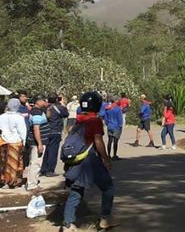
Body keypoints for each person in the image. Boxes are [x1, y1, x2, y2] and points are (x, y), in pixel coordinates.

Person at [61, 91, 117, 231]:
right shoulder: (95, 120)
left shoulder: (78, 120)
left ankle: (68, 224)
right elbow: (98, 141)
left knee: (76, 190)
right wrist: (106, 159)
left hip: (77, 160)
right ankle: (105, 218)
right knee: (108, 187)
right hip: (90, 160)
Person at [0, 98, 28, 188]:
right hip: (15, 142)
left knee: (3, 162)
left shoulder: (1, 117)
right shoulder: (19, 118)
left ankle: (4, 181)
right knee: (14, 164)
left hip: (3, 141)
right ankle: (13, 182)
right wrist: (24, 142)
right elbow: (23, 132)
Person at [25, 95, 50, 191]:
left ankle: (32, 181)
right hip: (38, 142)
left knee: (35, 163)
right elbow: (36, 129)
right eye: (43, 100)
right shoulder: (36, 113)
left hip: (40, 141)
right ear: (37, 102)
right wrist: (39, 143)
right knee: (36, 163)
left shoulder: (39, 111)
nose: (45, 102)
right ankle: (32, 185)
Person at [42, 94, 69, 177]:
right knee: (53, 151)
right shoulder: (60, 107)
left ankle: (43, 169)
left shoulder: (45, 107)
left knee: (45, 151)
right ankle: (50, 170)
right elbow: (66, 114)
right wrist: (62, 104)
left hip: (46, 131)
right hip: (55, 131)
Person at [103, 96, 124, 160]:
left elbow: (105, 118)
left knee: (109, 141)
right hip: (116, 126)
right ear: (115, 101)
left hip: (110, 126)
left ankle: (108, 155)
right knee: (115, 141)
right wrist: (120, 125)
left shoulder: (107, 108)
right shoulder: (118, 108)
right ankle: (114, 155)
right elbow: (120, 118)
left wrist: (107, 124)